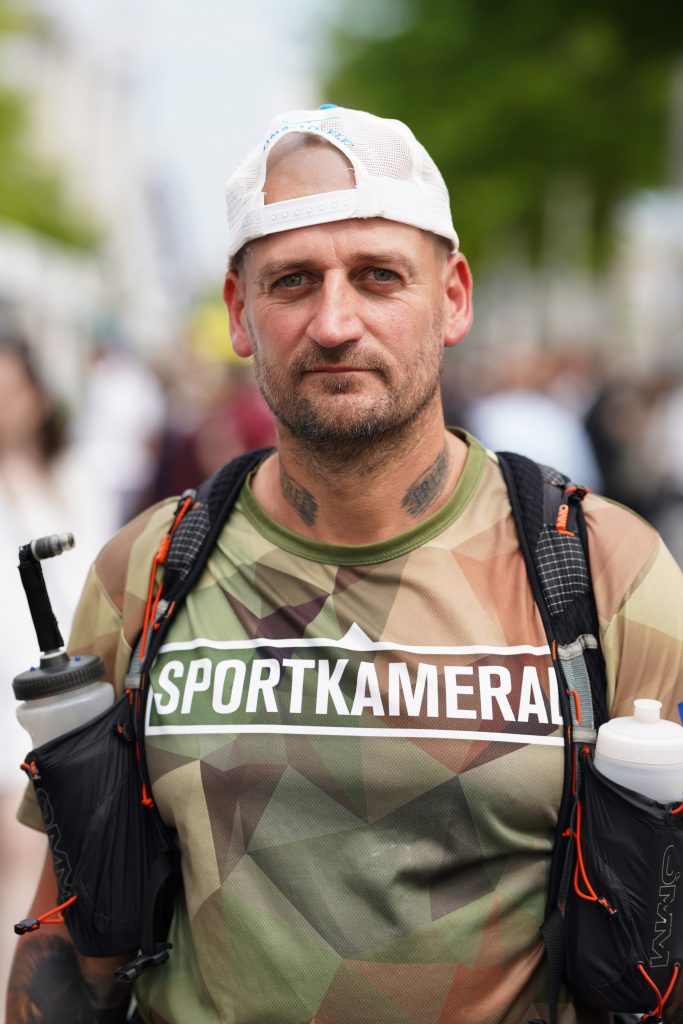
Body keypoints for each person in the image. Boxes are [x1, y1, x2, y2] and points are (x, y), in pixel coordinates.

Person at [6, 106, 683, 1024]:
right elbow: (68, 941)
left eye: (378, 277)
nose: (333, 323)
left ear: (452, 298)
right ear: (239, 313)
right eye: (292, 282)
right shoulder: (148, 570)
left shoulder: (603, 570)